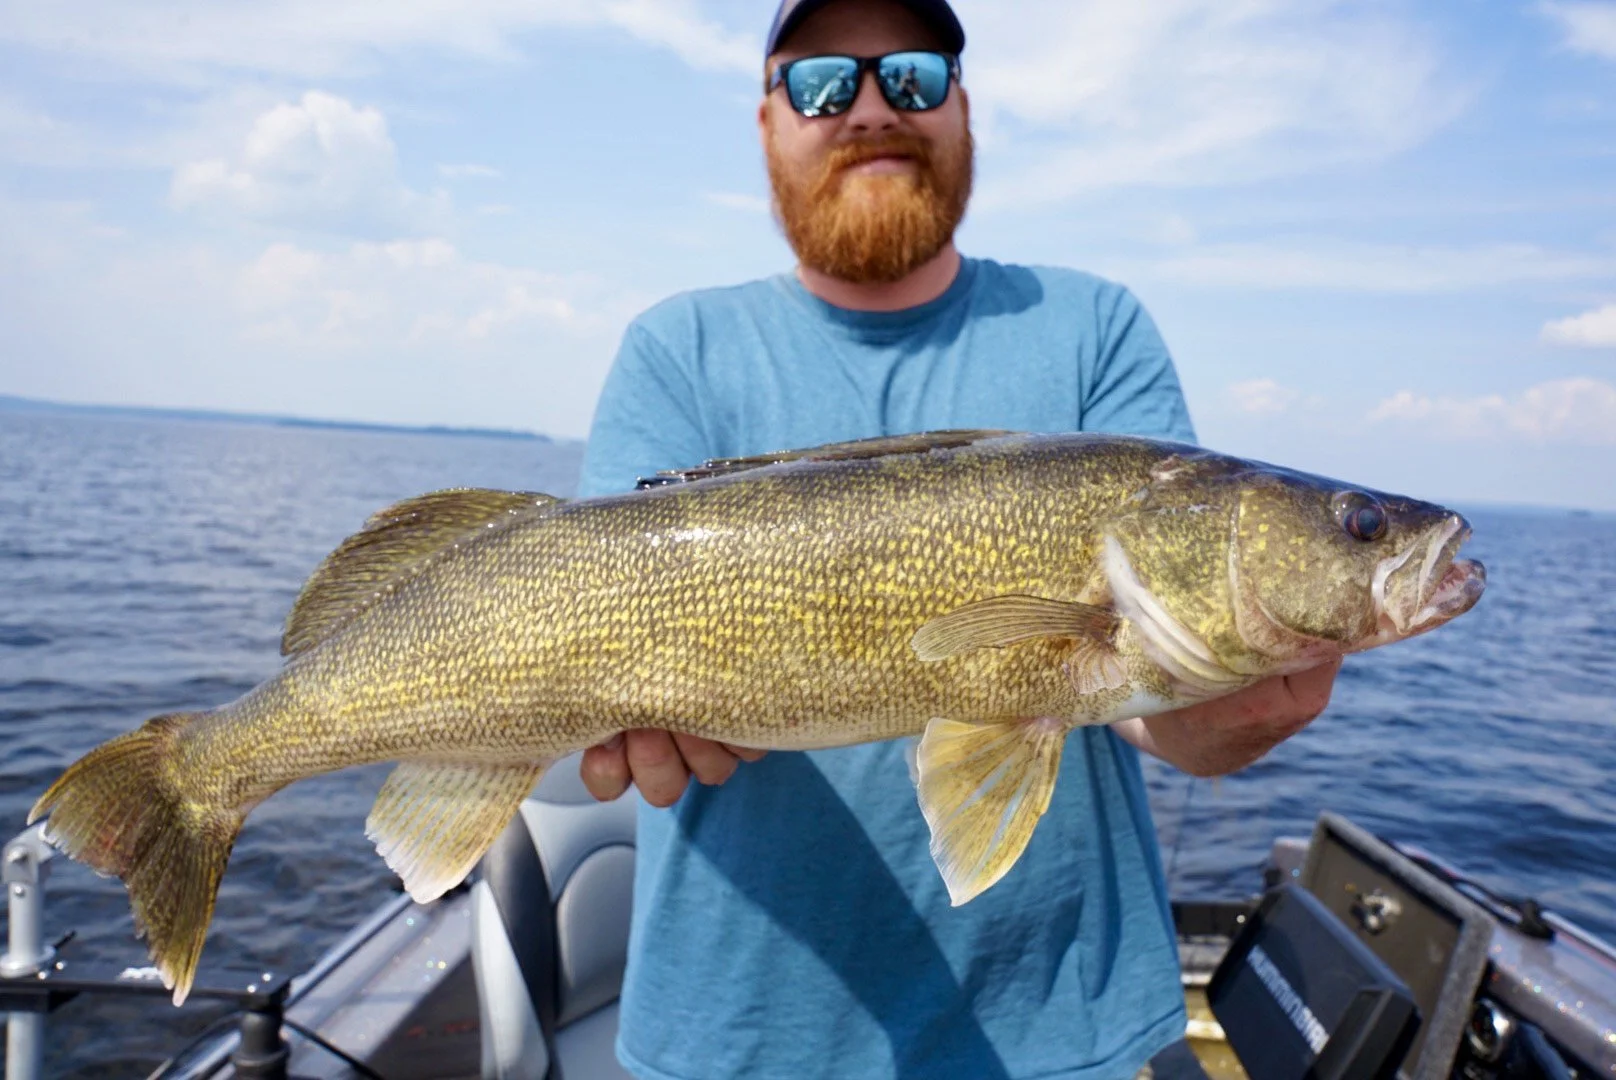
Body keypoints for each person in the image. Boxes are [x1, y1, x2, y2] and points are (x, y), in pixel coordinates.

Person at [575, 0, 1341, 1076]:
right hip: (732, 1036)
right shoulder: (677, 349)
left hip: (1063, 1033)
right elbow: (592, 642)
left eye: (915, 77)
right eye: (822, 84)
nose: (872, 108)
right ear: (765, 124)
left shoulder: (1093, 327)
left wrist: (1228, 715)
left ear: (963, 112)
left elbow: (1154, 716)